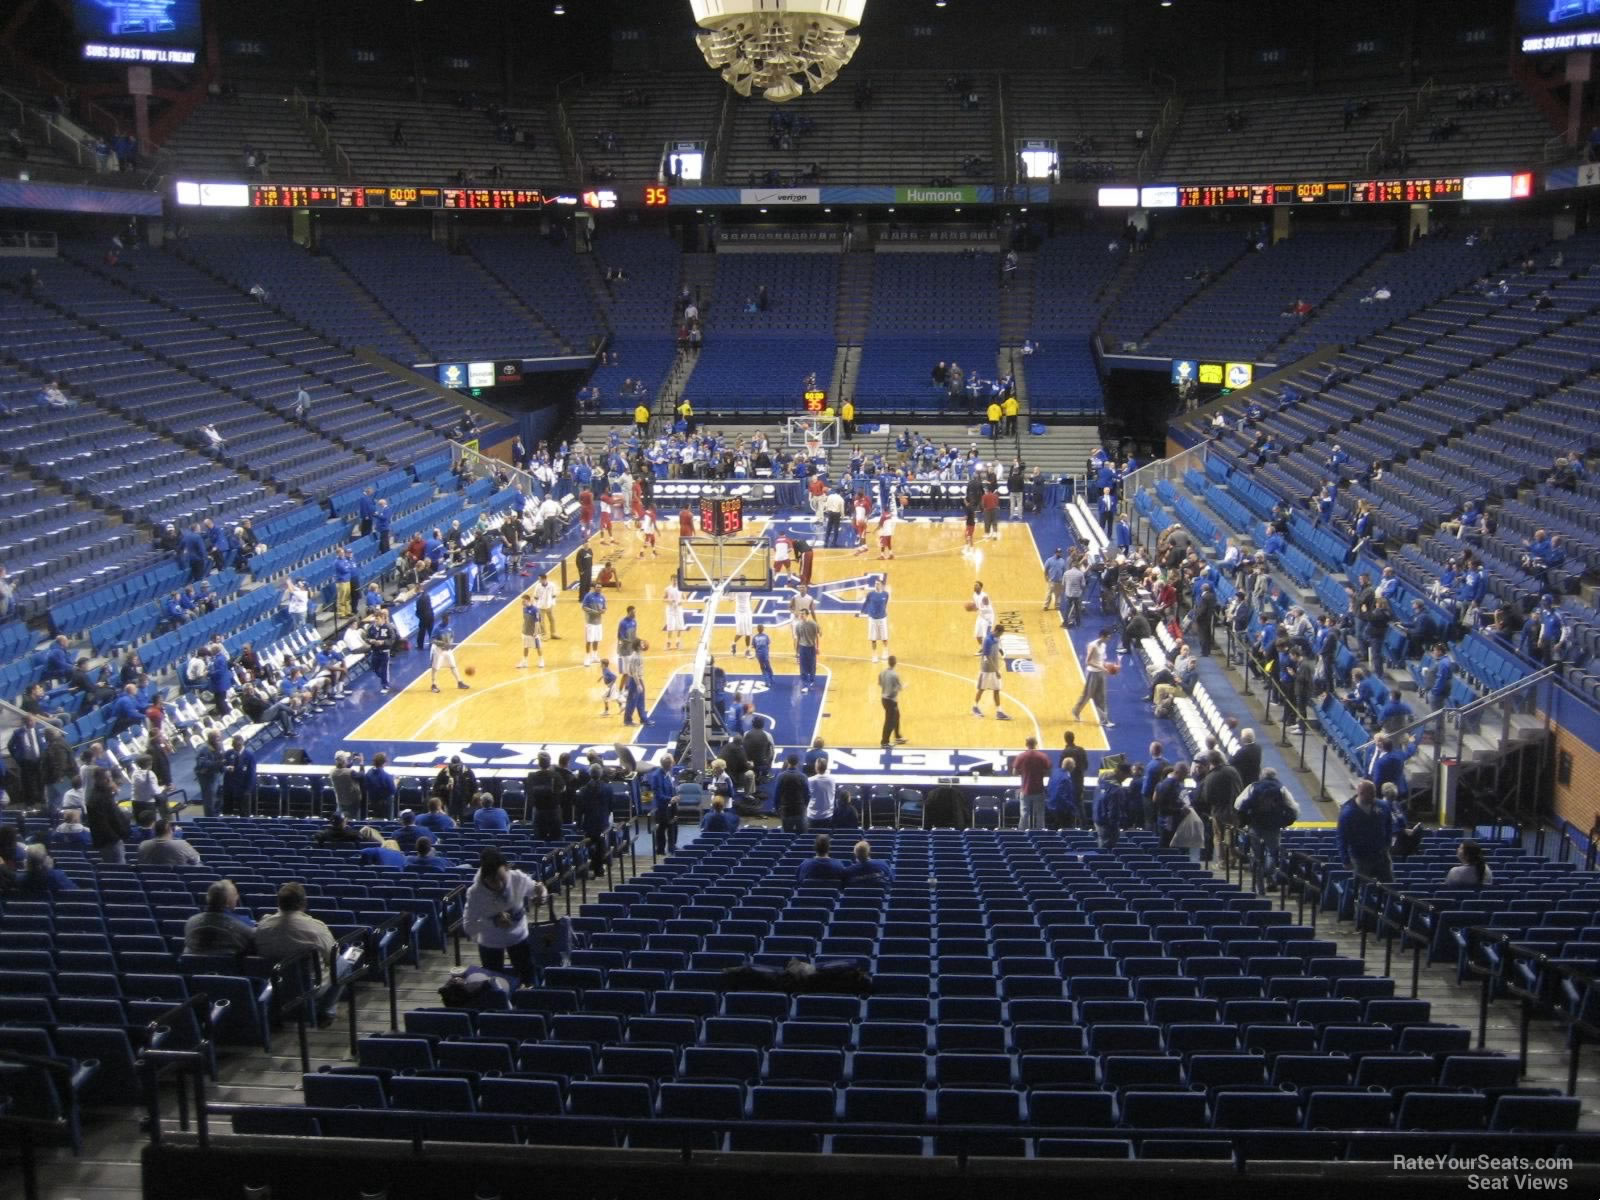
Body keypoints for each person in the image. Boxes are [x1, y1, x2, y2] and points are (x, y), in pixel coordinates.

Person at [255, 882, 345, 1023]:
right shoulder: (316, 928)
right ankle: (326, 1011)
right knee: (344, 963)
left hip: (275, 985)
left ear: (279, 902)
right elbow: (332, 957)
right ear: (304, 903)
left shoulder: (263, 926)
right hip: (310, 986)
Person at [462, 848, 546, 985]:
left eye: (501, 878)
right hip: (490, 942)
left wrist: (541, 895)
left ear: (507, 868)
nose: (499, 885)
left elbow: (537, 890)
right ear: (484, 877)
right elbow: (468, 926)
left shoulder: (518, 878)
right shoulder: (475, 893)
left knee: (528, 975)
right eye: (492, 881)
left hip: (519, 936)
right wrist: (493, 922)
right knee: (494, 982)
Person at [1234, 767, 1298, 893]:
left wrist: (1244, 821)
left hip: (1255, 825)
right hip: (1273, 826)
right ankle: (1270, 876)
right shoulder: (1281, 788)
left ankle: (1259, 887)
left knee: (1257, 856)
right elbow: (1294, 808)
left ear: (1261, 776)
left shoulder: (1253, 787)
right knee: (1272, 853)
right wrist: (1285, 822)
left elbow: (1238, 804)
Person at [1335, 779, 1401, 882]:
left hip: (1381, 856)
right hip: (1360, 858)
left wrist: (1387, 844)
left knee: (1389, 885)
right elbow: (1341, 837)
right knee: (1362, 887)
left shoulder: (1382, 806)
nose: (1374, 796)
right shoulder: (1348, 812)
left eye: (1374, 793)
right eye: (1371, 794)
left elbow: (1388, 824)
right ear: (1361, 793)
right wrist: (1345, 859)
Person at [183, 879, 257, 956]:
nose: (237, 897)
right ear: (228, 901)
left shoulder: (190, 922)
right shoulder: (244, 925)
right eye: (235, 895)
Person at [1071, 629, 1114, 728]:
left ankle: (1104, 720)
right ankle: (1076, 711)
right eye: (1108, 637)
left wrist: (1107, 667)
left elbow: (1102, 659)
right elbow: (1088, 661)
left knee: (1102, 696)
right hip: (1092, 673)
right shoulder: (1092, 645)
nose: (1109, 639)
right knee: (1087, 695)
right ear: (1102, 636)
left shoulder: (1104, 645)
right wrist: (1101, 668)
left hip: (1101, 673)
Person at [86, 772, 130, 864]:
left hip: (110, 840)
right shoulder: (98, 798)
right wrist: (117, 836)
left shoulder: (102, 794)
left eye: (110, 777)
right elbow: (104, 822)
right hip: (110, 841)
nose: (109, 780)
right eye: (106, 778)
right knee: (118, 868)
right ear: (98, 780)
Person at [641, 752, 678, 855]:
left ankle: (672, 846)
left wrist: (674, 797)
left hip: (672, 806)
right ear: (668, 764)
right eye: (671, 763)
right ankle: (660, 850)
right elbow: (658, 795)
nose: (673, 765)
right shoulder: (656, 776)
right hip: (662, 808)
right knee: (661, 829)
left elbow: (672, 787)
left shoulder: (669, 772)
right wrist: (670, 799)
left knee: (673, 827)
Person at [1013, 736, 1052, 829]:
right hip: (1039, 789)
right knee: (1040, 815)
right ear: (1036, 744)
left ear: (1026, 744)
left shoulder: (1021, 756)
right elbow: (1049, 772)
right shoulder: (1043, 756)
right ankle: (1040, 834)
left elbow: (1014, 772)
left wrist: (1023, 772)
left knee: (1024, 814)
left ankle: (1022, 834)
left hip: (1025, 789)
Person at [973, 628, 1008, 720]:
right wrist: (996, 671)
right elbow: (987, 657)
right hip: (987, 670)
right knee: (981, 689)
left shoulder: (996, 638)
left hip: (994, 669)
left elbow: (998, 648)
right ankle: (975, 707)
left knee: (997, 689)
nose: (1000, 636)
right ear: (997, 631)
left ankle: (999, 711)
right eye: (1000, 634)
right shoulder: (988, 640)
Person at [430, 616, 470, 692]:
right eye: (447, 619)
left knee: (453, 665)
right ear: (443, 619)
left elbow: (452, 636)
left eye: (449, 619)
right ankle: (433, 684)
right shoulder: (437, 629)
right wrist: (441, 643)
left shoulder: (449, 628)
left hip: (447, 650)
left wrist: (450, 643)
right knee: (435, 668)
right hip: (438, 650)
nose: (448, 621)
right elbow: (432, 640)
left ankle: (459, 682)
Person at [137, 819, 201, 865]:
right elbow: (196, 860)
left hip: (150, 881)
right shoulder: (181, 844)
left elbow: (141, 862)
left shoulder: (143, 844)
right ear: (170, 831)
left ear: (154, 832)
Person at [432, 756, 478, 820]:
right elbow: (436, 787)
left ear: (461, 764)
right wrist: (445, 787)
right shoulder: (444, 772)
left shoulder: (468, 772)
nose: (456, 768)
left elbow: (474, 786)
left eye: (457, 766)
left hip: (464, 800)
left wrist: (472, 800)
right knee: (450, 818)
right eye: (454, 766)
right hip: (448, 801)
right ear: (450, 764)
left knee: (463, 818)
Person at [221, 734, 255, 816]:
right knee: (227, 811)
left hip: (242, 788)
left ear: (242, 744)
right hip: (229, 787)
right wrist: (226, 768)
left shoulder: (249, 756)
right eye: (234, 745)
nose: (235, 747)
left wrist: (248, 789)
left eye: (237, 745)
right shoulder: (228, 753)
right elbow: (221, 767)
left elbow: (251, 774)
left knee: (244, 812)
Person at [877, 654, 906, 748]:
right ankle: (884, 742)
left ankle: (897, 737)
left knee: (896, 717)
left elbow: (880, 684)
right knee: (890, 721)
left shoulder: (882, 672)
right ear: (895, 663)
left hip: (884, 699)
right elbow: (900, 687)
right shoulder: (894, 675)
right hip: (891, 701)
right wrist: (904, 686)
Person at [519, 586, 546, 670]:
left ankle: (541, 660)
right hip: (525, 631)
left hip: (534, 632)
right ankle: (525, 662)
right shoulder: (524, 609)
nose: (522, 603)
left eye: (523, 601)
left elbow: (537, 622)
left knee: (538, 647)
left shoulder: (535, 610)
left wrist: (536, 632)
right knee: (525, 647)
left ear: (528, 600)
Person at [793, 611, 821, 692]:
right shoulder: (798, 625)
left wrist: (817, 647)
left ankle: (812, 681)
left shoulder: (813, 624)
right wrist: (797, 651)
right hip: (802, 648)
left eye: (803, 614)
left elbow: (817, 636)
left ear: (807, 615)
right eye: (800, 614)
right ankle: (805, 685)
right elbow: (798, 638)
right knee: (802, 667)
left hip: (811, 647)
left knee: (812, 666)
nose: (801, 615)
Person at [806, 756, 836, 827]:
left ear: (816, 767)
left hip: (812, 816)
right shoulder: (832, 779)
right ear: (826, 768)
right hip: (827, 815)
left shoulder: (810, 780)